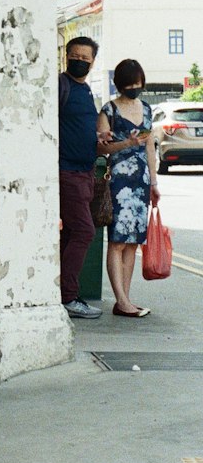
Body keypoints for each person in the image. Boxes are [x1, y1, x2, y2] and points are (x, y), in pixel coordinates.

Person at [98, 58, 160, 318]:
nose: (135, 88)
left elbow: (149, 147)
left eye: (138, 84)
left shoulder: (146, 109)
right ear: (120, 85)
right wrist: (125, 144)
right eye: (130, 85)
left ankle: (125, 299)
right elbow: (101, 148)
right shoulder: (109, 111)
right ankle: (121, 300)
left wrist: (154, 182)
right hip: (119, 180)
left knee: (133, 242)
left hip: (141, 181)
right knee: (116, 241)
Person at [58, 36, 103, 319]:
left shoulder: (86, 91)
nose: (80, 61)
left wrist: (100, 137)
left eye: (85, 59)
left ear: (92, 62)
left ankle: (61, 292)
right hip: (67, 171)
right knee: (85, 231)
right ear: (66, 56)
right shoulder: (60, 86)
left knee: (72, 234)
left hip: (85, 172)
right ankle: (69, 297)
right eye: (75, 56)